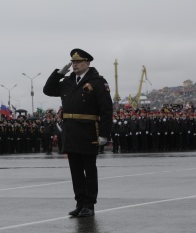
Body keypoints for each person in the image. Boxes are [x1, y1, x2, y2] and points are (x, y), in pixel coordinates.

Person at [43, 48, 113, 217]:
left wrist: (104, 134)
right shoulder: (67, 81)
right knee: (75, 170)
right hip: (71, 131)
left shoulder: (97, 82)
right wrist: (59, 73)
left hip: (89, 131)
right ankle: (80, 202)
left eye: (78, 62)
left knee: (89, 169)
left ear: (87, 63)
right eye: (73, 62)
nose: (74, 65)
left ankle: (89, 204)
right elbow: (48, 90)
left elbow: (106, 110)